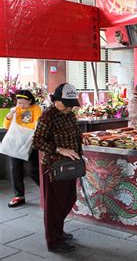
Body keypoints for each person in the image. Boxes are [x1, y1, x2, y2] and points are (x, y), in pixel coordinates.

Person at [33, 83, 82, 253]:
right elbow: (37, 141)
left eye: (72, 104)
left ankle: (58, 229)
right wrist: (61, 149)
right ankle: (54, 241)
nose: (70, 107)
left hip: (71, 165)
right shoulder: (47, 117)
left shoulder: (69, 115)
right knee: (54, 204)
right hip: (54, 166)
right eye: (66, 103)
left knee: (69, 199)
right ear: (57, 100)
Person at [3, 90, 42, 207]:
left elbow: (36, 124)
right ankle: (19, 195)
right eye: (19, 102)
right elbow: (6, 126)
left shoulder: (36, 109)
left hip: (30, 143)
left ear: (30, 101)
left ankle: (47, 191)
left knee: (33, 170)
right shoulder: (16, 109)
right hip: (16, 143)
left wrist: (21, 128)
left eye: (23, 103)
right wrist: (9, 115)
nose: (21, 105)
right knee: (15, 169)